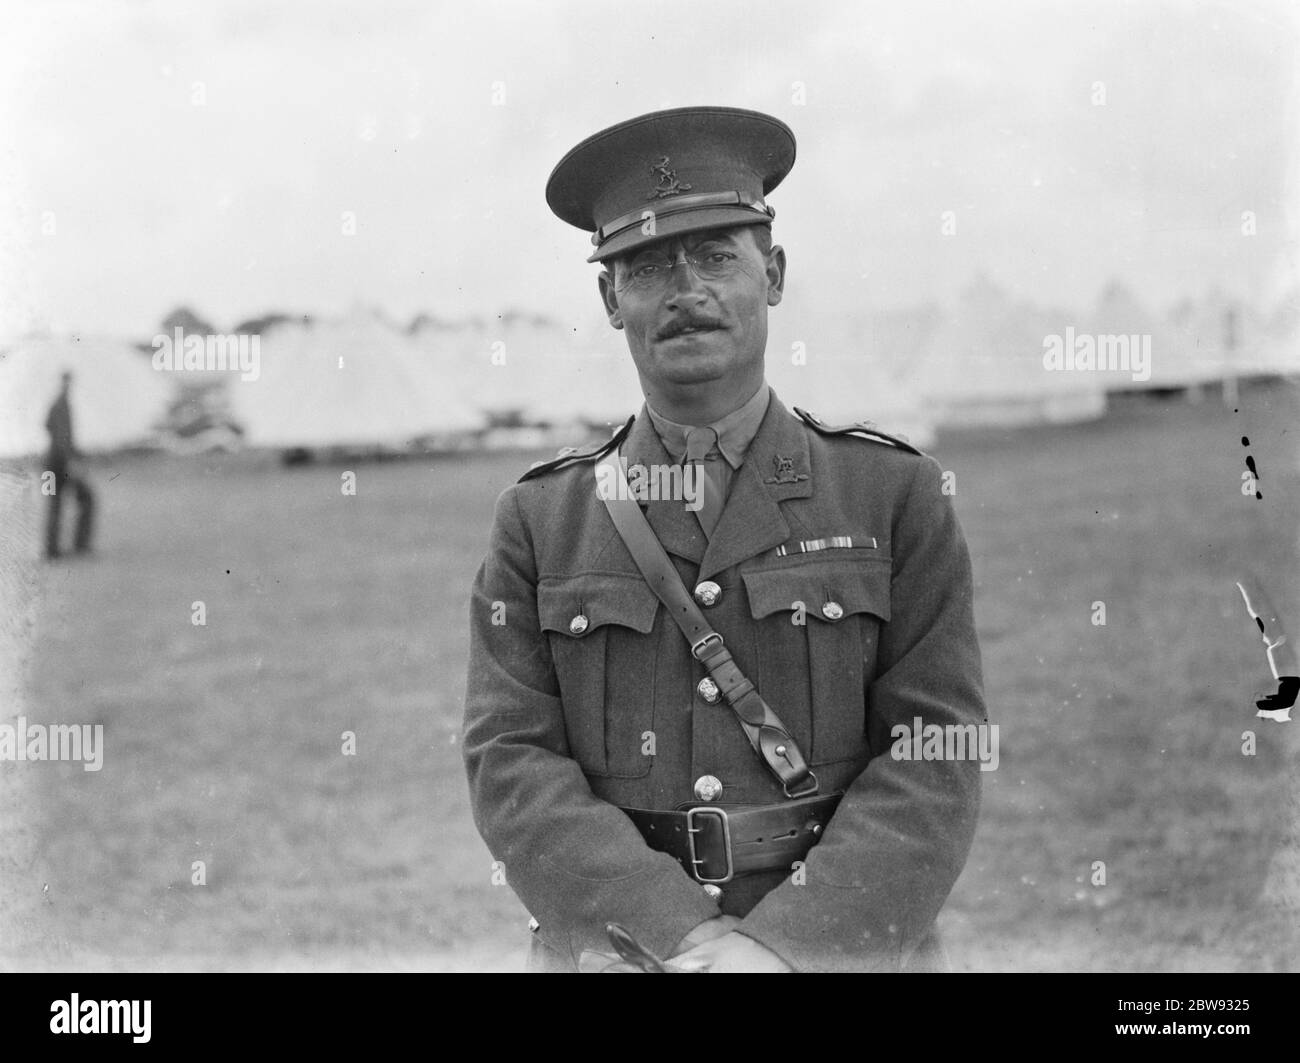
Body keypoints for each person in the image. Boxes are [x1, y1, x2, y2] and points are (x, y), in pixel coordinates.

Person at [462, 106, 987, 972]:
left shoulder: (892, 494)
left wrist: (788, 947)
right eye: (645, 266)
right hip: (626, 953)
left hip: (836, 952)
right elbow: (509, 758)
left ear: (773, 275)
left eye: (715, 256)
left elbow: (938, 746)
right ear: (608, 298)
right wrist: (675, 933)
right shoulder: (540, 519)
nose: (684, 290)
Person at [44, 371, 96, 560]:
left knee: (57, 504)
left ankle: (55, 549)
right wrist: (70, 460)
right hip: (58, 465)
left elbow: (48, 426)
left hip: (52, 463)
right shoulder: (61, 405)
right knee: (83, 499)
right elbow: (60, 437)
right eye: (65, 382)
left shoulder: (60, 404)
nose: (67, 385)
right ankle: (64, 548)